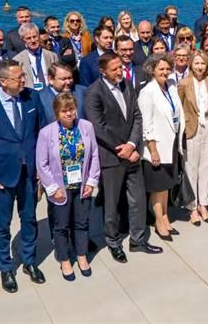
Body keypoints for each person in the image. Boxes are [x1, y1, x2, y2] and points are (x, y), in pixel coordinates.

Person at [0, 60, 46, 293]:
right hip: (1, 177)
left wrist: (42, 170)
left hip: (29, 173)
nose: (23, 80)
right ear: (3, 81)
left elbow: (42, 134)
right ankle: (5, 267)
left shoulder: (32, 98)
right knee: (1, 225)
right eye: (18, 77)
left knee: (29, 219)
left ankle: (29, 261)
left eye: (23, 75)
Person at [83, 53, 163, 263]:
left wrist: (132, 144)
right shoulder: (94, 93)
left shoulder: (127, 84)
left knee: (138, 199)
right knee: (111, 204)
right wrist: (122, 148)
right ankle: (113, 242)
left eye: (120, 67)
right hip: (111, 157)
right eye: (114, 69)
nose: (120, 71)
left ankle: (137, 239)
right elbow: (98, 128)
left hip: (132, 153)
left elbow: (137, 116)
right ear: (103, 71)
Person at [36, 93, 100, 281]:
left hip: (82, 185)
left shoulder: (86, 127)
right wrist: (52, 188)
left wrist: (91, 181)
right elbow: (42, 164)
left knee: (81, 223)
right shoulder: (46, 133)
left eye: (71, 109)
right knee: (61, 226)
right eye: (64, 111)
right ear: (57, 113)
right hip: (60, 188)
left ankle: (81, 255)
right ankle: (64, 259)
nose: (69, 114)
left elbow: (94, 155)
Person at [138, 53, 186, 240]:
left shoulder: (171, 87)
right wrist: (153, 150)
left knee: (166, 185)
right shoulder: (147, 92)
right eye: (161, 69)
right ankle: (158, 220)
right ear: (152, 70)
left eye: (167, 68)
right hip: (156, 148)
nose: (165, 72)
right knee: (158, 187)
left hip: (170, 143)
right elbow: (146, 125)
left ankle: (165, 216)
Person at [178, 50, 208, 225]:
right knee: (191, 168)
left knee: (206, 167)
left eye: (203, 63)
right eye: (196, 63)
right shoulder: (183, 83)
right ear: (191, 64)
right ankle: (192, 207)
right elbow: (179, 108)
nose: (199, 66)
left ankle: (204, 204)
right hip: (191, 130)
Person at [13, 23, 59, 90]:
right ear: (23, 40)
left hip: (50, 91)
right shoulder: (18, 60)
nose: (33, 41)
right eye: (28, 38)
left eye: (35, 37)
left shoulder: (52, 56)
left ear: (39, 36)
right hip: (30, 93)